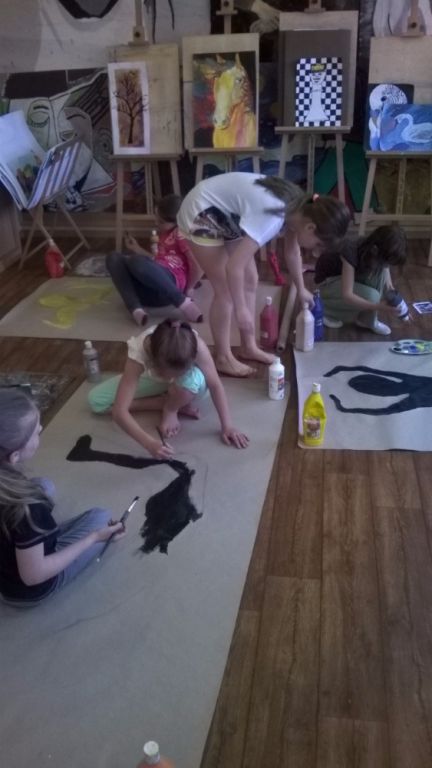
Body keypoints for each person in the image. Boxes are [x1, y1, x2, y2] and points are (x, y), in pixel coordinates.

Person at [177, 172, 351, 377]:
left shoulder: (300, 209)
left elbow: (292, 252)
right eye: (318, 244)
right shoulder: (271, 219)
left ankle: (248, 346)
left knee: (250, 279)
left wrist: (302, 288)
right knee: (225, 291)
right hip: (201, 210)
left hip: (225, 213)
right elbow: (233, 267)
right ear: (311, 227)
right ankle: (223, 358)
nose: (315, 251)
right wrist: (241, 310)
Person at [0, 388, 125, 606]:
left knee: (43, 485)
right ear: (15, 456)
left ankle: (31, 541)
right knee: (101, 517)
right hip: (25, 590)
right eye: (35, 433)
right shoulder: (28, 508)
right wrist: (94, 538)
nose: (41, 429)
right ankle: (44, 540)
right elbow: (33, 576)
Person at [88, 319, 249, 459]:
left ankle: (172, 407)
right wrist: (149, 443)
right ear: (155, 363)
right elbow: (119, 412)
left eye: (176, 374)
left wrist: (227, 426)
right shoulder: (139, 353)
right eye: (167, 373)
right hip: (153, 378)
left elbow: (215, 385)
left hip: (191, 385)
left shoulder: (196, 346)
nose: (170, 377)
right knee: (97, 402)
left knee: (190, 381)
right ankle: (169, 401)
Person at [107, 194, 203, 327]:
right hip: (148, 292)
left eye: (161, 222)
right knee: (113, 257)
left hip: (168, 288)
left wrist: (189, 288)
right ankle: (135, 308)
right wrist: (136, 248)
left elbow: (197, 266)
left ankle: (183, 302)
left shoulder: (180, 232)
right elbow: (153, 263)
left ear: (178, 221)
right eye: (156, 219)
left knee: (136, 261)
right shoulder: (163, 235)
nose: (156, 223)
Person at [314, 224, 407, 335]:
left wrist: (402, 308)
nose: (386, 266)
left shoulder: (377, 253)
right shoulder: (350, 250)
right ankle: (325, 311)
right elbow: (347, 295)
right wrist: (378, 306)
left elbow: (389, 287)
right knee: (372, 296)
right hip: (326, 284)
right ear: (375, 250)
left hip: (342, 279)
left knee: (379, 274)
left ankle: (367, 320)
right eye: (386, 262)